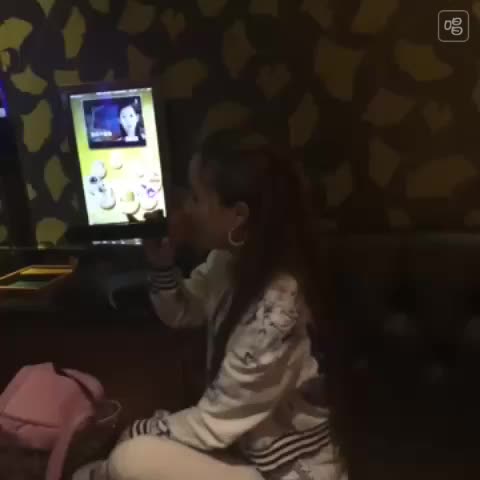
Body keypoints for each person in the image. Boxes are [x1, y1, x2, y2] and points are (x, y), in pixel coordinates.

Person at [73, 128, 345, 480]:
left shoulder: (278, 306)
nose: (186, 209)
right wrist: (162, 266)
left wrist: (133, 434)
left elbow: (213, 422)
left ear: (238, 215)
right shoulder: (228, 262)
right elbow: (184, 311)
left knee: (130, 459)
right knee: (126, 459)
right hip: (245, 448)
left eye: (197, 197)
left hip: (288, 470)